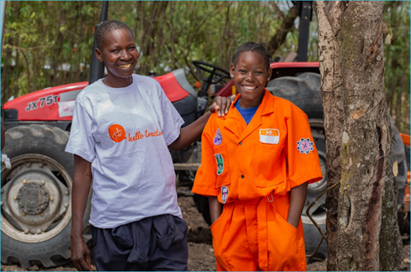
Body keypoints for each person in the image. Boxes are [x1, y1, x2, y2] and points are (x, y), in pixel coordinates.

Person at [65, 20, 231, 271]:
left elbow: (175, 140)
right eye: (115, 50)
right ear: (100, 55)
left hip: (163, 220)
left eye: (131, 47)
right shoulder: (89, 100)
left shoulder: (151, 88)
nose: (126, 56)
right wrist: (76, 237)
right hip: (115, 226)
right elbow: (82, 172)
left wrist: (211, 114)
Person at [192, 42, 323, 271]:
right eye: (243, 71)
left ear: (268, 74)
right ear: (232, 71)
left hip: (276, 218)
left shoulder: (289, 115)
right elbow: (211, 183)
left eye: (258, 72)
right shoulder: (218, 121)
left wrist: (288, 230)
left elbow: (300, 178)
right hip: (232, 225)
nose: (249, 78)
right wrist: (218, 229)